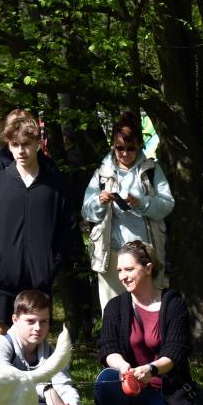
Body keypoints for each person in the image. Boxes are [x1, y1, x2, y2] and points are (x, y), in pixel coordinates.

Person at [0, 109, 77, 339]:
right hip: (1, 276)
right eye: (14, 144)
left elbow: (66, 229)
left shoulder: (55, 184)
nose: (20, 150)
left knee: (36, 336)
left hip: (39, 277)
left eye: (26, 144)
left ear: (38, 143)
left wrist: (52, 264)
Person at [93, 241, 198, 405]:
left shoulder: (173, 303)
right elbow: (107, 348)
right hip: (129, 389)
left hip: (166, 392)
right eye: (120, 270)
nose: (123, 276)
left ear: (148, 268)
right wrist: (123, 366)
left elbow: (176, 351)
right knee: (106, 379)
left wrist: (152, 369)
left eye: (129, 269)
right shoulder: (115, 306)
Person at [82, 111, 174, 309]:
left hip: (145, 254)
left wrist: (142, 203)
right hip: (112, 253)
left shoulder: (152, 170)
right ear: (113, 146)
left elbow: (167, 204)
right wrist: (100, 200)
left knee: (147, 309)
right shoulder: (102, 173)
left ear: (140, 145)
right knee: (113, 311)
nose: (125, 153)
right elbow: (86, 211)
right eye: (119, 148)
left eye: (130, 148)